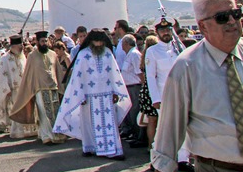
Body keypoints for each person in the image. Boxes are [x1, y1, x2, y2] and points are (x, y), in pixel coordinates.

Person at [152, 0, 243, 172]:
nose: (231, 21)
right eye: (222, 17)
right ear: (203, 27)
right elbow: (169, 127)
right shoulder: (186, 67)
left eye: (235, 14)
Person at [53, 30, 131, 159]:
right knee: (88, 123)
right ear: (91, 41)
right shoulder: (83, 55)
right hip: (88, 96)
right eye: (97, 41)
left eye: (101, 41)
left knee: (109, 123)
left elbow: (114, 73)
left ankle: (113, 150)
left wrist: (115, 91)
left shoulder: (107, 53)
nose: (99, 44)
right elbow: (77, 77)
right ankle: (89, 147)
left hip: (106, 94)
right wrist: (80, 95)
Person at [145, 17, 192, 172]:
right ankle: (156, 159)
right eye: (162, 30)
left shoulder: (179, 48)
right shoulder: (152, 51)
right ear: (157, 32)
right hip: (164, 95)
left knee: (184, 126)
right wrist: (155, 98)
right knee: (164, 129)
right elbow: (151, 77)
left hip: (182, 93)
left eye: (168, 30)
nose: (166, 32)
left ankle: (183, 159)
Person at [9, 31, 67, 145]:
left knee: (54, 112)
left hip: (53, 87)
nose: (44, 43)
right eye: (42, 41)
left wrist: (61, 86)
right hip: (39, 88)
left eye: (46, 41)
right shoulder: (32, 56)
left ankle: (56, 134)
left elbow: (58, 71)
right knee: (44, 113)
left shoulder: (52, 54)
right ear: (37, 42)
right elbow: (28, 74)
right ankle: (47, 136)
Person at [0, 35, 36, 138]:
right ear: (13, 46)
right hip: (14, 89)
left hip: (24, 88)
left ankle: (28, 130)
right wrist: (6, 89)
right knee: (16, 109)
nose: (21, 48)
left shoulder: (23, 56)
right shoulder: (5, 59)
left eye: (22, 45)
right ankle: (17, 131)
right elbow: (2, 75)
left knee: (27, 108)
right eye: (19, 46)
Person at [118, 35, 143, 144]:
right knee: (131, 112)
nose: (122, 46)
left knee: (135, 112)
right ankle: (134, 134)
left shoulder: (134, 55)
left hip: (135, 87)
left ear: (127, 43)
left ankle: (139, 136)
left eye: (123, 43)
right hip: (129, 87)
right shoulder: (130, 54)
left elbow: (140, 72)